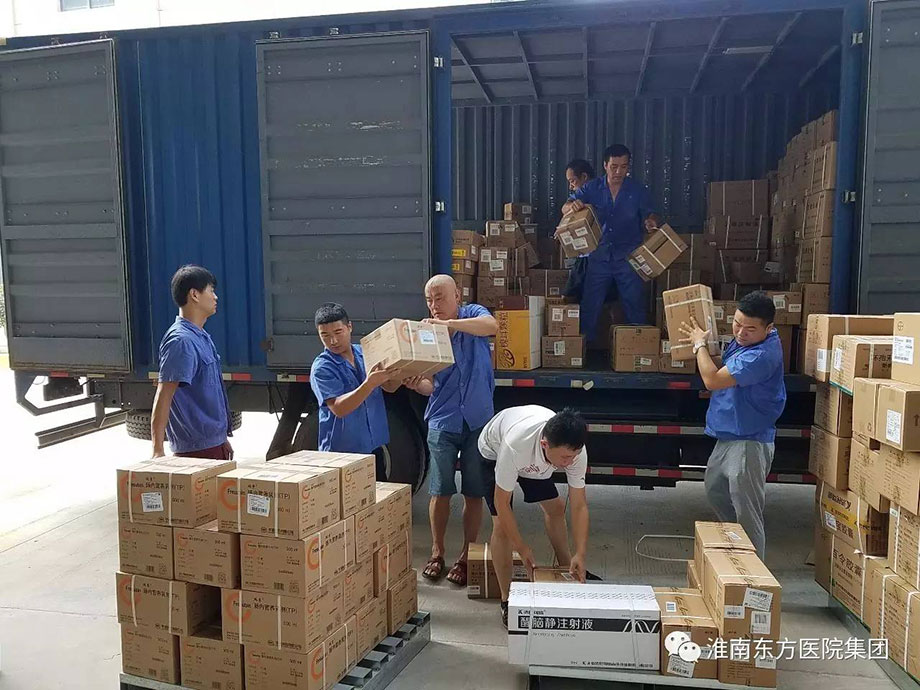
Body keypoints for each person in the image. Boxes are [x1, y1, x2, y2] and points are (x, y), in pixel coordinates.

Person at [403, 275, 498, 587]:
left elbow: (492, 326)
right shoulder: (426, 333)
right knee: (440, 490)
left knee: (474, 492)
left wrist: (450, 326)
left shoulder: (473, 315)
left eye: (440, 298)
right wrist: (417, 383)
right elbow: (430, 384)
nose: (434, 305)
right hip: (443, 421)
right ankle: (437, 551)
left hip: (477, 422)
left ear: (457, 295)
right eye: (429, 300)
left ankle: (467, 554)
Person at [679, 291, 786, 558]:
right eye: (737, 323)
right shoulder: (745, 343)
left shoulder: (761, 355)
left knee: (747, 512)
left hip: (750, 439)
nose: (740, 332)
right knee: (715, 490)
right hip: (730, 433)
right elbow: (724, 368)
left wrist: (699, 346)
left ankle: (752, 573)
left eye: (750, 328)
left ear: (768, 328)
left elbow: (713, 380)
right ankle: (735, 553)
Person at [479, 406, 591, 627]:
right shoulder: (516, 446)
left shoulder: (574, 451)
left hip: (537, 462)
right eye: (565, 457)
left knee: (556, 508)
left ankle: (568, 568)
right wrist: (521, 548)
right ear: (545, 444)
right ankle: (506, 599)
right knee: (501, 525)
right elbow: (502, 503)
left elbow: (579, 505)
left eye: (574, 456)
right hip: (494, 451)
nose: (570, 462)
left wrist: (580, 553)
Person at [561, 144, 659, 337]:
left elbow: (651, 213)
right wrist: (572, 206)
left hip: (628, 258)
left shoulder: (637, 190)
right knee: (590, 305)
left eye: (624, 166)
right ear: (605, 165)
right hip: (599, 257)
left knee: (634, 304)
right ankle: (583, 348)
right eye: (614, 166)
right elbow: (565, 206)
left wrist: (651, 221)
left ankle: (640, 346)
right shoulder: (592, 188)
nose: (619, 172)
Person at [309, 303, 402, 477]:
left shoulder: (365, 353)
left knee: (377, 493)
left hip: (373, 447)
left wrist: (400, 374)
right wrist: (369, 384)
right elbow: (339, 408)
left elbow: (389, 387)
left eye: (338, 332)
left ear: (349, 327)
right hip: (341, 454)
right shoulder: (322, 367)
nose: (333, 341)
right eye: (325, 335)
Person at [152, 265, 233, 460]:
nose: (215, 297)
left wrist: (221, 439)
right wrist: (157, 450)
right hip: (195, 452)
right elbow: (164, 395)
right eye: (211, 291)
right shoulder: (181, 341)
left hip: (213, 445)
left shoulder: (200, 336)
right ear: (195, 295)